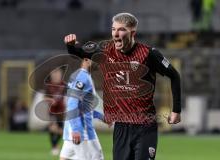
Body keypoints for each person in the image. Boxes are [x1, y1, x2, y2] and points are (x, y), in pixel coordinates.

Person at [64, 12, 181, 160]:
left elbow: (174, 75)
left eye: (121, 29)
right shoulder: (106, 51)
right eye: (113, 29)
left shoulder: (149, 54)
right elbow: (80, 52)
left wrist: (176, 110)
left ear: (133, 32)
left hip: (145, 125)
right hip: (121, 127)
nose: (116, 33)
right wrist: (70, 45)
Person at [60, 58, 105, 160]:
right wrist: (76, 129)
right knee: (97, 157)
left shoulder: (76, 75)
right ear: (87, 60)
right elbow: (72, 103)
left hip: (70, 130)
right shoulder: (83, 77)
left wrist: (100, 116)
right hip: (82, 131)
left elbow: (82, 107)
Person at [44, 68, 67, 156]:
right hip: (52, 111)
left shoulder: (64, 85)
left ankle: (56, 145)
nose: (56, 76)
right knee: (52, 128)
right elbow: (45, 98)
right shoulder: (49, 86)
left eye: (58, 75)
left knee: (61, 131)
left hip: (61, 112)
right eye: (54, 75)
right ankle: (54, 147)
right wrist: (51, 100)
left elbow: (68, 96)